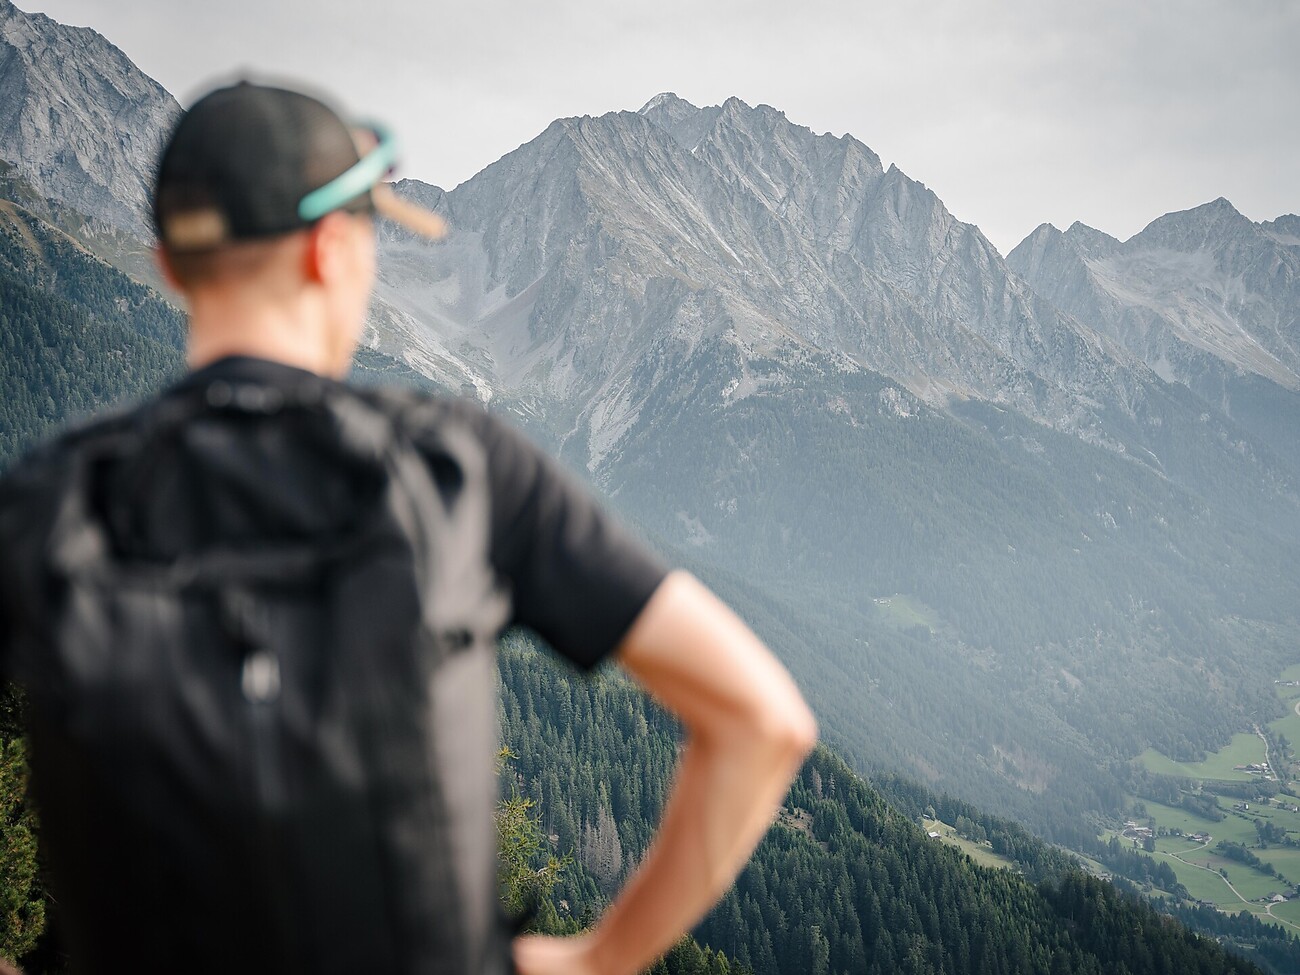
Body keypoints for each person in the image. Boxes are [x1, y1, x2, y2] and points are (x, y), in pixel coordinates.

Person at [0, 81, 817, 975]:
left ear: (170, 267)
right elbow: (760, 720)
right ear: (329, 251)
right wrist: (598, 958)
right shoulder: (454, 465)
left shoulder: (49, 498)